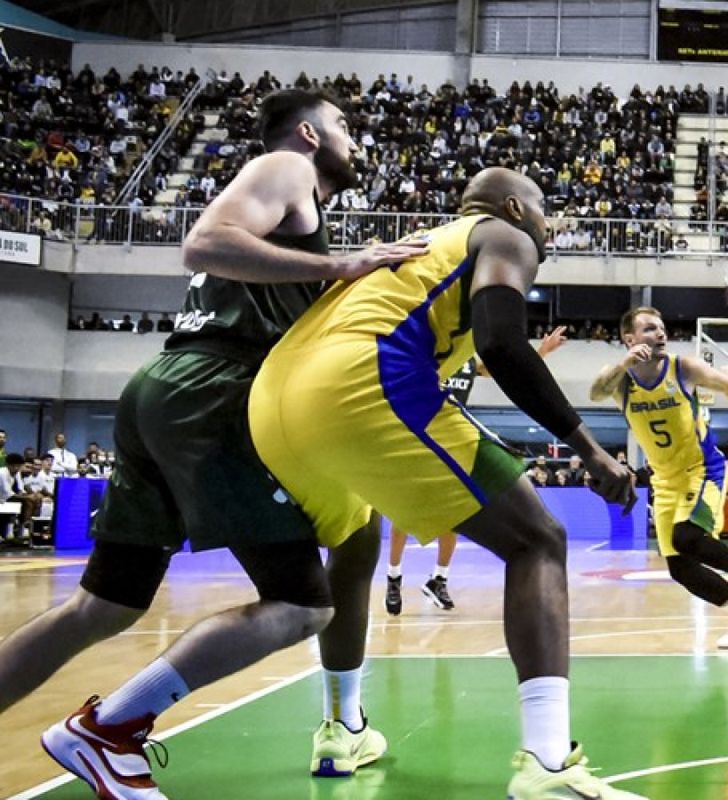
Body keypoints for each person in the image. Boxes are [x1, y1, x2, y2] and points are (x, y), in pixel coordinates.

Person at [15, 89, 427, 798]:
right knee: (304, 605)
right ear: (307, 133)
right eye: (343, 126)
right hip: (216, 392)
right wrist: (340, 268)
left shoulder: (293, 218)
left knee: (103, 607)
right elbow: (201, 243)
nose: (354, 140)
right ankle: (110, 728)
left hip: (163, 391)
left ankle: (109, 730)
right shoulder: (286, 167)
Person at [248, 167, 643, 799]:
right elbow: (502, 342)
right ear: (516, 207)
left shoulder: (424, 247)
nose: (548, 227)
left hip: (273, 404)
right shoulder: (503, 237)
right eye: (544, 212)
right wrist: (589, 449)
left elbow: (482, 350)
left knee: (354, 545)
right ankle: (546, 765)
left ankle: (342, 726)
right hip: (363, 384)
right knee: (537, 540)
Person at [591, 306, 728, 649]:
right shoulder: (620, 379)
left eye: (662, 328)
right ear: (629, 338)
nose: (660, 334)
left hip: (703, 470)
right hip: (664, 481)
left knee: (687, 536)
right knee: (680, 569)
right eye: (649, 329)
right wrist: (624, 364)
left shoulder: (683, 368)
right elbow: (595, 393)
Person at [385, 330, 566, 616]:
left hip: (452, 444)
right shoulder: (428, 354)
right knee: (402, 520)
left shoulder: (469, 360)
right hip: (416, 441)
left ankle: (438, 580)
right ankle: (393, 578)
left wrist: (541, 353)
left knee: (454, 518)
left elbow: (499, 370)